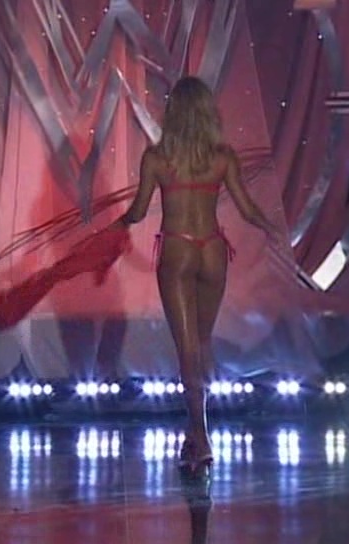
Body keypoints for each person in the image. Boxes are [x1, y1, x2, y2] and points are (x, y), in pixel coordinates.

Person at [114, 76, 279, 476]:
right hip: (212, 250)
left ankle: (200, 436)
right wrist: (272, 229)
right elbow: (247, 209)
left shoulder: (157, 159)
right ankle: (195, 432)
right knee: (201, 344)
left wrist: (114, 226)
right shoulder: (222, 158)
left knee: (187, 349)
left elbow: (138, 211)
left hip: (178, 250)